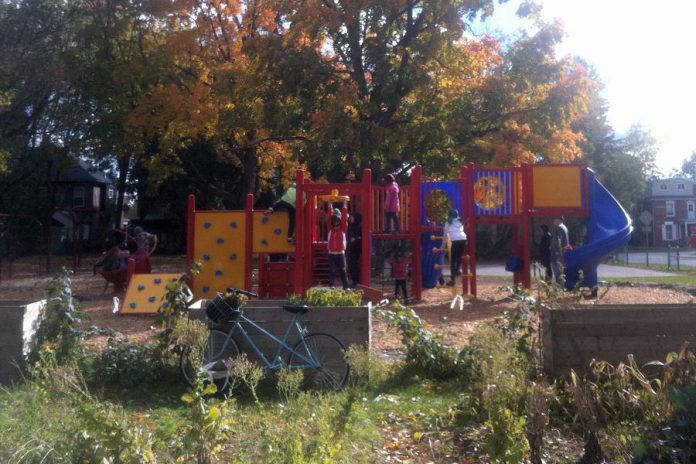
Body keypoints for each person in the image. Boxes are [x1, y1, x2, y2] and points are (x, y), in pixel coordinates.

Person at [444, 209, 467, 286]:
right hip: (463, 240)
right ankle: (457, 270)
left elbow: (445, 236)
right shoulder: (460, 222)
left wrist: (442, 246)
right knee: (459, 257)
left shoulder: (448, 223)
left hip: (456, 241)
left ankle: (452, 280)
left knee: (452, 261)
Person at [327, 212, 349, 289]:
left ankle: (346, 286)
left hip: (340, 253)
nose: (336, 223)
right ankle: (331, 285)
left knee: (343, 270)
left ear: (340, 222)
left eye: (337, 221)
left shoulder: (343, 229)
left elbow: (344, 220)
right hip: (331, 253)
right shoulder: (330, 229)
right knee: (332, 270)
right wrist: (330, 204)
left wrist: (344, 205)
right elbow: (329, 219)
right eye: (334, 222)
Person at [550, 215, 571, 285]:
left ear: (558, 220)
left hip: (558, 253)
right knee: (561, 270)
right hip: (563, 251)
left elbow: (558, 240)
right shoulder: (565, 227)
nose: (553, 221)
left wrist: (556, 251)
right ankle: (561, 285)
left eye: (554, 219)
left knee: (557, 270)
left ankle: (559, 286)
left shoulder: (559, 228)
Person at [346, 212, 362, 288]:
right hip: (351, 248)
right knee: (351, 264)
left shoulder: (359, 226)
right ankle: (353, 280)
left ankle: (356, 281)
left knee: (354, 265)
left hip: (356, 248)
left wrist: (355, 239)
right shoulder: (351, 226)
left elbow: (361, 237)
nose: (351, 218)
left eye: (352, 217)